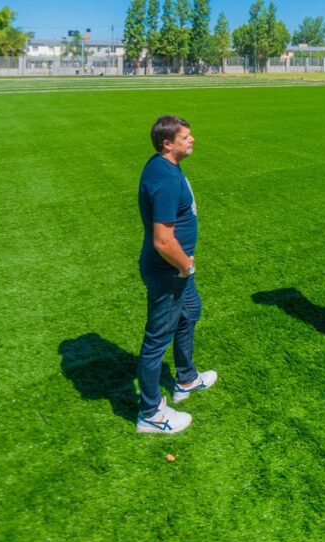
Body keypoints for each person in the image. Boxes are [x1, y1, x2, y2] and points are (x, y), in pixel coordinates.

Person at [135, 115, 217, 434]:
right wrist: (185, 266)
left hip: (180, 270)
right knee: (157, 339)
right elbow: (163, 240)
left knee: (190, 313)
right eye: (185, 136)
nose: (192, 139)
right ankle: (151, 414)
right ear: (167, 144)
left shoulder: (164, 166)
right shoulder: (166, 179)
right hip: (171, 271)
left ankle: (186, 379)